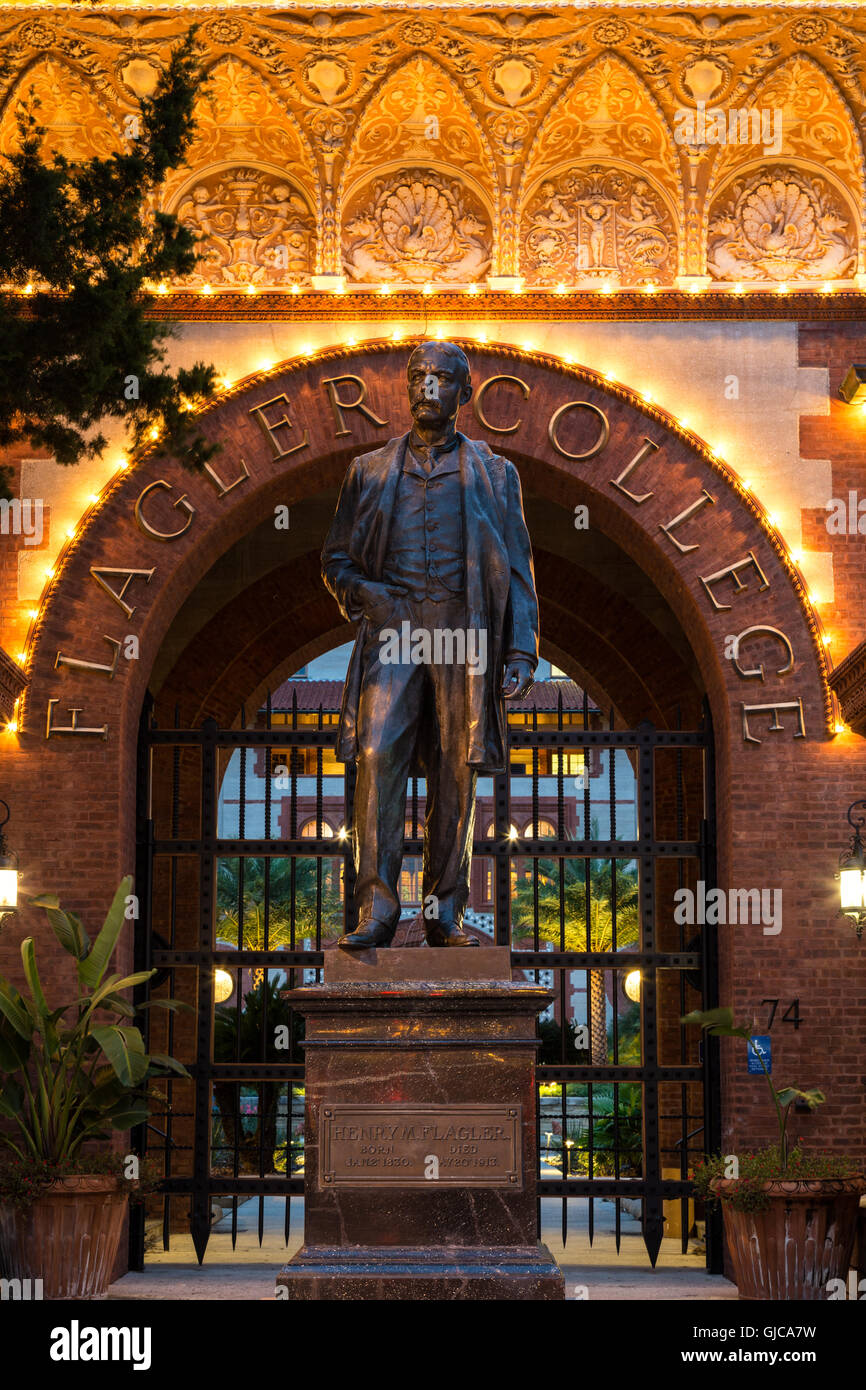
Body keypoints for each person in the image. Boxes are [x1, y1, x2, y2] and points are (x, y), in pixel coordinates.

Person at [321, 341, 539, 949]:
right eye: (419, 378)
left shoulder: (496, 473)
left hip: (464, 629)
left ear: (464, 393)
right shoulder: (368, 471)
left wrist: (520, 651)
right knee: (375, 755)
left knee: (456, 770)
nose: (428, 388)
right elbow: (335, 559)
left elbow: (519, 566)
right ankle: (377, 911)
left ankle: (446, 911)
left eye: (442, 379)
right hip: (394, 633)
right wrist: (368, 595)